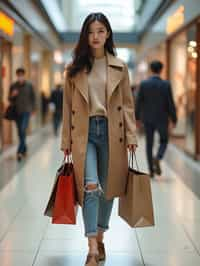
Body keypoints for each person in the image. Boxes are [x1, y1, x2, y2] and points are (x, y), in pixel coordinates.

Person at [61, 12, 137, 266]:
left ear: (108, 34)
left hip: (112, 133)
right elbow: (67, 107)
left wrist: (131, 135)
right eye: (91, 31)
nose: (96, 36)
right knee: (90, 187)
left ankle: (101, 236)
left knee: (109, 190)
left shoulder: (120, 66)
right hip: (84, 134)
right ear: (85, 35)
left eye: (101, 31)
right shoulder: (73, 70)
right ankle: (92, 247)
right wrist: (65, 142)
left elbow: (127, 105)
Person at [135, 60, 177, 178]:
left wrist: (137, 118)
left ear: (151, 70)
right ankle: (158, 157)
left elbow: (138, 102)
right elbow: (170, 103)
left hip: (147, 118)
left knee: (149, 143)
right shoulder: (166, 84)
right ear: (161, 70)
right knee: (164, 140)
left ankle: (151, 171)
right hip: (162, 118)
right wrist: (174, 118)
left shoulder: (144, 84)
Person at [8, 68, 36, 161]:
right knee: (20, 132)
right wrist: (13, 95)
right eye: (18, 75)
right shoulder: (13, 86)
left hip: (26, 111)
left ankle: (19, 152)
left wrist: (33, 109)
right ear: (17, 76)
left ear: (24, 75)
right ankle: (24, 148)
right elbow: (9, 99)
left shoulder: (29, 85)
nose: (20, 77)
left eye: (21, 75)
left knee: (23, 129)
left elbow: (33, 97)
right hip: (16, 112)